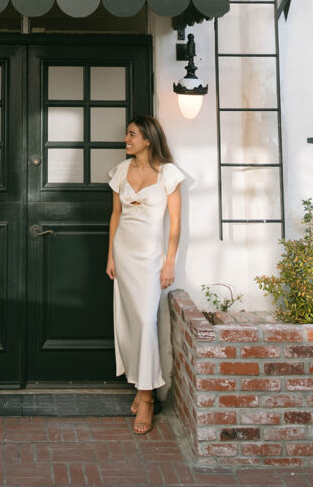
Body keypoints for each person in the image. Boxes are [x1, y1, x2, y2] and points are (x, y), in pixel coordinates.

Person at [106, 115, 183, 436]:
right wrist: (110, 254)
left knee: (145, 321)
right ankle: (140, 386)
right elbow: (115, 214)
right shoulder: (121, 171)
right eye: (127, 134)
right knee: (128, 323)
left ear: (148, 140)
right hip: (124, 254)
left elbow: (175, 224)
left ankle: (148, 395)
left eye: (131, 135)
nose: (126, 139)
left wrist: (169, 263)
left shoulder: (169, 174)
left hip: (150, 260)